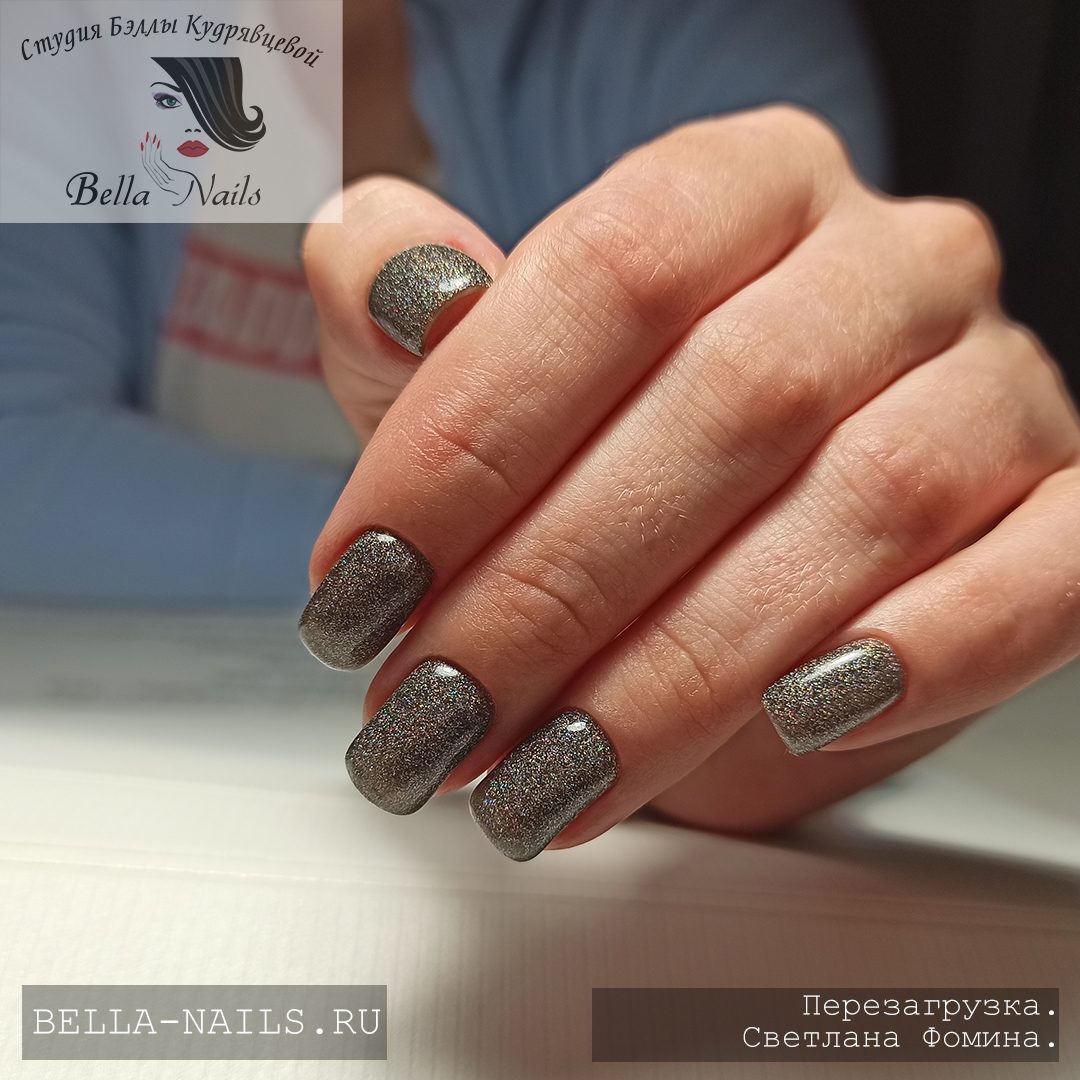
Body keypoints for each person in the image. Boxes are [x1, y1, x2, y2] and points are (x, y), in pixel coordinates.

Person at [2, 0, 1077, 859]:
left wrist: (804, 541)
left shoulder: (705, 29)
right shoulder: (62, 40)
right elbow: (20, 471)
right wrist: (517, 558)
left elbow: (810, 432)